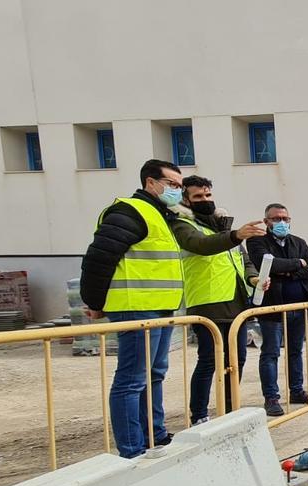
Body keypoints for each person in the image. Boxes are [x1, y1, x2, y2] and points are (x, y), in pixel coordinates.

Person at [80, 159, 266, 458]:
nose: (176, 191)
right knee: (132, 380)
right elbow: (100, 257)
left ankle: (156, 436)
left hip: (162, 307)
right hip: (136, 307)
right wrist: (94, 301)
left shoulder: (162, 216)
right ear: (150, 182)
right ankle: (133, 450)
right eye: (173, 185)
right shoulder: (130, 211)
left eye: (180, 186)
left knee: (154, 374)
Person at [172, 175, 269, 424]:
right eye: (198, 196)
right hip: (207, 303)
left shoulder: (222, 227)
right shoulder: (183, 225)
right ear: (186, 199)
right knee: (208, 361)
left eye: (208, 195)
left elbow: (243, 260)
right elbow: (201, 245)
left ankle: (229, 409)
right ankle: (200, 415)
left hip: (236, 303)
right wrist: (236, 235)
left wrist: (255, 279)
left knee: (236, 360)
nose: (205, 200)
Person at [246, 203, 308, 417]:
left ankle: (297, 391)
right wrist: (297, 264)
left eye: (285, 219)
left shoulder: (298, 242)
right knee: (271, 353)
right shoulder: (256, 241)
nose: (281, 222)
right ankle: (271, 398)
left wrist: (289, 272)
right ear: (266, 221)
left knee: (295, 351)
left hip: (298, 308)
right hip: (272, 308)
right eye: (276, 219)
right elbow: (266, 264)